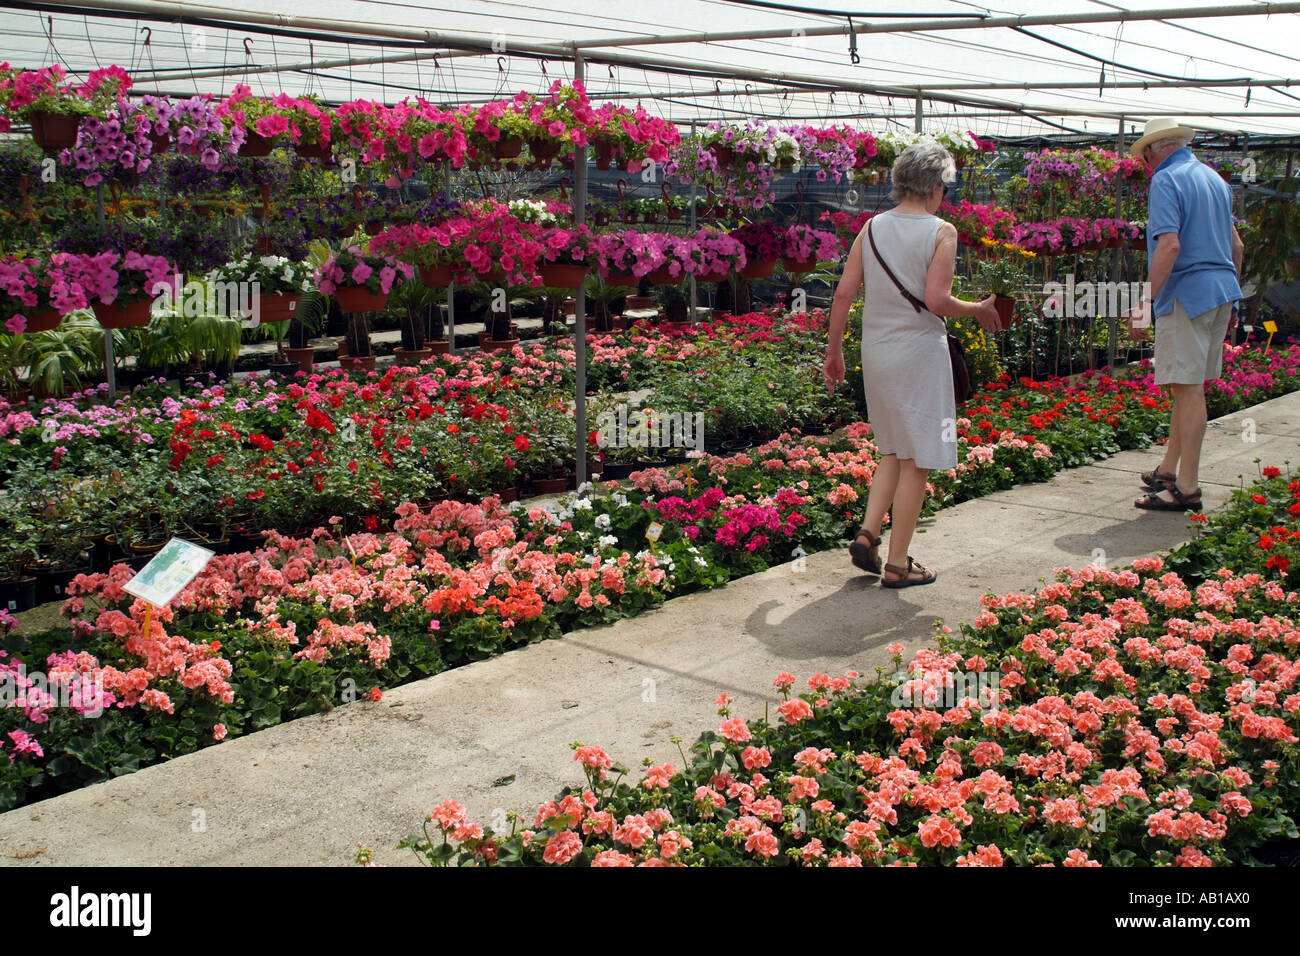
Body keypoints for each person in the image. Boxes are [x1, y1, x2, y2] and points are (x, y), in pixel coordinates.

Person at [823, 141, 1000, 588]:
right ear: (936, 186)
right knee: (917, 460)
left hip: (877, 353)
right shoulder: (942, 231)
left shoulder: (872, 227)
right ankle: (898, 564)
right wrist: (978, 308)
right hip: (919, 354)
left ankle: (868, 534)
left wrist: (834, 351)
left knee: (893, 450)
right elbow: (936, 300)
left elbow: (843, 293)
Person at [1127, 118, 1244, 511]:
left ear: (1154, 150)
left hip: (1187, 293)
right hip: (1220, 290)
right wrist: (1232, 297)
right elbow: (1237, 246)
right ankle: (1167, 470)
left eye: (1145, 155)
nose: (1147, 164)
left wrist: (1145, 302)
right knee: (1188, 387)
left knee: (1187, 388)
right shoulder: (1215, 180)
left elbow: (1170, 246)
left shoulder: (1166, 179)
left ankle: (1187, 487)